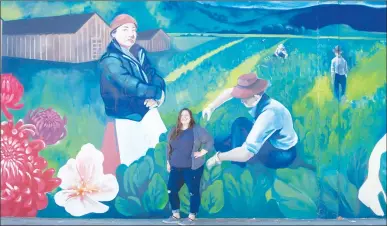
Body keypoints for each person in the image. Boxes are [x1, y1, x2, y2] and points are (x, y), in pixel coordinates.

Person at [99, 14, 167, 167]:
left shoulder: (139, 53)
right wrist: (156, 93)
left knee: (161, 151)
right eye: (125, 29)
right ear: (114, 34)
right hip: (126, 117)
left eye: (133, 30)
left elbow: (154, 75)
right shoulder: (110, 60)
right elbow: (129, 84)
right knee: (133, 162)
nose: (131, 34)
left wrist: (157, 97)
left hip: (146, 110)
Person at [202, 72, 304, 171]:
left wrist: (218, 158)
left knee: (227, 145)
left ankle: (238, 166)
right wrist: (211, 107)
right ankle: (235, 156)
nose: (241, 100)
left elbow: (246, 153)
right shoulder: (261, 99)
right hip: (271, 139)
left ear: (256, 96)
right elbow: (230, 92)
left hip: (281, 154)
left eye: (244, 98)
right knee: (233, 129)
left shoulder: (269, 114)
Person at [162, 108, 214, 225]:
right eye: (182, 115)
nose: (184, 117)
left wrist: (202, 152)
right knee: (171, 189)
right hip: (175, 167)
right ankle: (175, 215)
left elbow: (209, 140)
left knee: (193, 192)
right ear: (179, 117)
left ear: (190, 117)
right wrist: (168, 162)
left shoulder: (197, 130)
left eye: (187, 115)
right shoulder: (173, 131)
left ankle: (191, 217)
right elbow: (169, 148)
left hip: (192, 168)